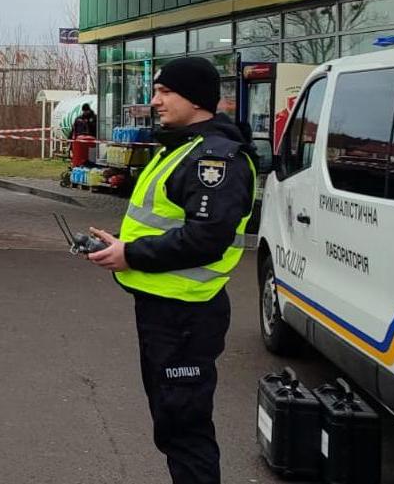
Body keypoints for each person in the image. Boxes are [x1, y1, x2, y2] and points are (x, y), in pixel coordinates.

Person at [86, 56, 256, 484]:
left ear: (196, 99)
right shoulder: (182, 148)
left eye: (165, 92)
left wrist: (132, 255)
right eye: (156, 91)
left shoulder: (214, 159)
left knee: (185, 427)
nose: (154, 100)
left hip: (185, 316)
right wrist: (121, 247)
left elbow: (207, 239)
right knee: (172, 419)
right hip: (166, 310)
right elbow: (167, 222)